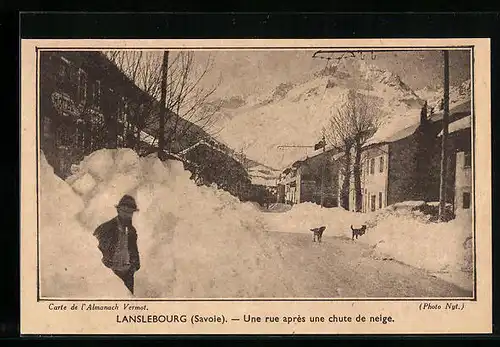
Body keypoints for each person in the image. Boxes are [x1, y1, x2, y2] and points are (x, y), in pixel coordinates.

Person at [93, 194, 141, 294]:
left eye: (130, 212)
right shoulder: (105, 228)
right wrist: (106, 264)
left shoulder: (132, 231)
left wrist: (134, 266)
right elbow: (93, 247)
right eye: (124, 211)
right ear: (118, 210)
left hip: (127, 274)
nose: (127, 215)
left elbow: (134, 251)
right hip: (110, 274)